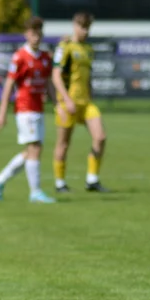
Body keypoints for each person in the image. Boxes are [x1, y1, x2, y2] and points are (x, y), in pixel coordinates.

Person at [0, 16, 56, 203]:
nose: (37, 37)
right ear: (26, 34)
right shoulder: (20, 57)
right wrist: (2, 111)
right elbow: (9, 84)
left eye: (39, 33)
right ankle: (35, 192)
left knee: (32, 151)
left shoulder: (44, 57)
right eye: (33, 33)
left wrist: (56, 104)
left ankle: (0, 179)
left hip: (38, 108)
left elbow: (48, 83)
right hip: (25, 108)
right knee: (35, 148)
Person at [51, 11, 108, 193]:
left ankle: (92, 180)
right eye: (82, 27)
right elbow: (55, 75)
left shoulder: (88, 50)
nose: (85, 31)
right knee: (63, 143)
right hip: (68, 102)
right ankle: (60, 183)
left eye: (88, 27)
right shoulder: (65, 46)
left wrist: (90, 94)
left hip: (86, 103)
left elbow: (87, 76)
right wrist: (65, 100)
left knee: (100, 137)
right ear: (75, 26)